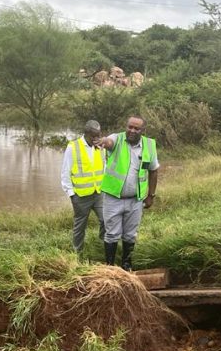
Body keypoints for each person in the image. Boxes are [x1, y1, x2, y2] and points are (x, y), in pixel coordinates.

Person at [97, 115, 159, 271]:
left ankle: (126, 265)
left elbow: (154, 171)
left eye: (136, 128)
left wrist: (150, 195)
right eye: (129, 127)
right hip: (113, 197)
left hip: (135, 200)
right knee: (111, 234)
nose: (132, 130)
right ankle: (110, 267)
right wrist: (103, 141)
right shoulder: (116, 139)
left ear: (143, 130)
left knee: (130, 235)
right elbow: (108, 142)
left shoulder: (149, 146)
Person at [61, 120, 105, 252]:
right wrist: (71, 194)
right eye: (93, 136)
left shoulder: (101, 147)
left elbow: (105, 168)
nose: (96, 139)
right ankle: (77, 252)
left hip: (98, 193)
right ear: (86, 133)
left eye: (98, 135)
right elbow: (65, 172)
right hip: (80, 196)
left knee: (106, 220)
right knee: (80, 226)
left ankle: (102, 245)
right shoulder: (73, 147)